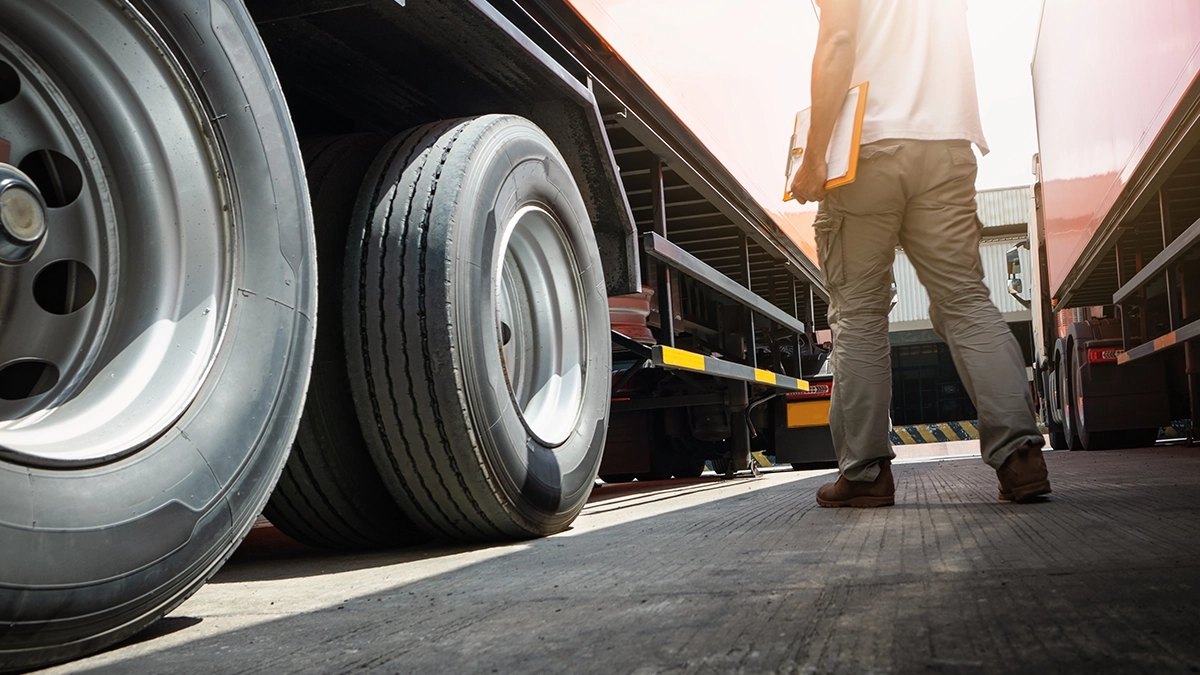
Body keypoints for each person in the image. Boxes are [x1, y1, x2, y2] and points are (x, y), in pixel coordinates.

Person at [790, 0, 1050, 507]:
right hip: (947, 145)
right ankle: (1022, 459)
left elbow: (839, 41)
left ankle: (865, 475)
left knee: (860, 315)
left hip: (869, 148)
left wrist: (816, 153)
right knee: (966, 302)